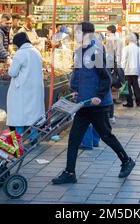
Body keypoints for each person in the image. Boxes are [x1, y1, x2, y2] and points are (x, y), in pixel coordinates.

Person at [52, 22, 135, 184]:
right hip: (84, 104)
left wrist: (99, 95)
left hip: (97, 103)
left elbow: (106, 77)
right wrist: (74, 89)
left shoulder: (95, 52)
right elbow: (76, 73)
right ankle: (70, 172)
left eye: (77, 33)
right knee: (74, 138)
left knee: (106, 135)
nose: (74, 36)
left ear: (87, 34)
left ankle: (126, 161)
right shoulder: (79, 51)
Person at [6, 32, 45, 136]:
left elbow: (12, 72)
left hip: (22, 90)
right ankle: (34, 137)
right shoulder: (36, 52)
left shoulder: (20, 54)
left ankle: (19, 139)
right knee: (34, 115)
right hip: (35, 89)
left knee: (20, 114)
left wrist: (10, 64)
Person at [121, 33, 140, 107]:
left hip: (127, 70)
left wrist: (122, 68)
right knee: (136, 86)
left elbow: (124, 60)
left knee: (128, 87)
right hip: (136, 70)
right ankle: (139, 102)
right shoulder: (138, 49)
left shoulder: (126, 48)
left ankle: (130, 102)